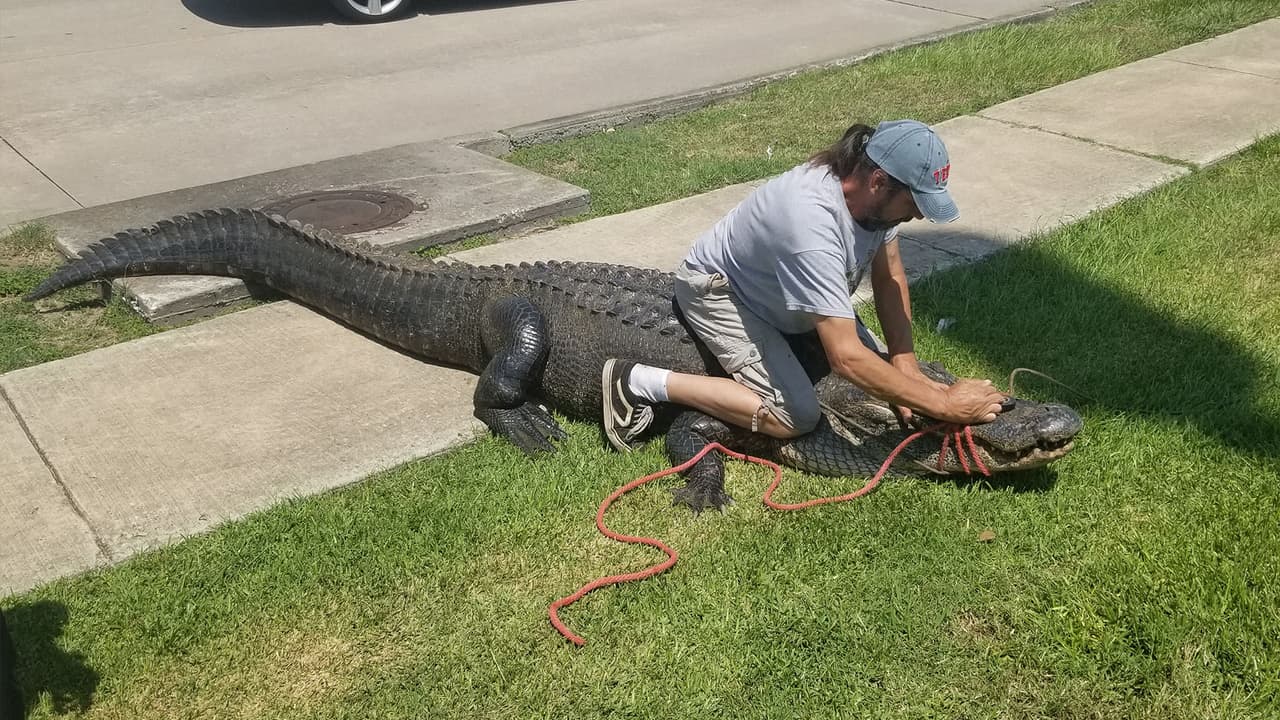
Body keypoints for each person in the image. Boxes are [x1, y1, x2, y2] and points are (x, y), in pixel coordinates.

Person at [602, 119, 1008, 451]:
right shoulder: (811, 224)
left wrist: (904, 361)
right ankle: (638, 381)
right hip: (721, 291)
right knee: (795, 415)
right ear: (879, 181)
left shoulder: (874, 205)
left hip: (785, 296)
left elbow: (890, 276)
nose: (918, 215)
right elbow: (845, 359)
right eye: (915, 202)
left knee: (888, 379)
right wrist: (945, 403)